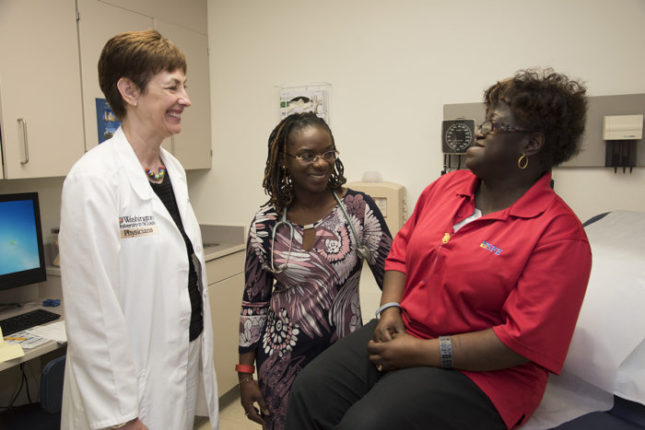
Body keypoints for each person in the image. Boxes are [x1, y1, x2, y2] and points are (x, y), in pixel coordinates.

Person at [285, 69, 592, 430]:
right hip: (407, 328)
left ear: (531, 144)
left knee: (367, 424)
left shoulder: (557, 234)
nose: (479, 130)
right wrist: (389, 309)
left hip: (487, 376)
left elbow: (520, 341)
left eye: (494, 124)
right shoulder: (448, 187)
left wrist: (423, 353)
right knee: (309, 390)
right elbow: (400, 251)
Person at [59, 30, 218, 430]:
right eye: (172, 86)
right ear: (129, 90)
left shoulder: (172, 171)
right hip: (124, 395)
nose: (186, 98)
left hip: (175, 363)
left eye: (185, 85)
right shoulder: (93, 179)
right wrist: (121, 416)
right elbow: (92, 311)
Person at [237, 112, 393, 429]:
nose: (321, 163)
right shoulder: (266, 222)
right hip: (280, 366)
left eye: (328, 153)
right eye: (308, 155)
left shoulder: (357, 210)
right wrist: (245, 374)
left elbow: (395, 276)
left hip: (345, 360)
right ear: (284, 160)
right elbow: (254, 301)